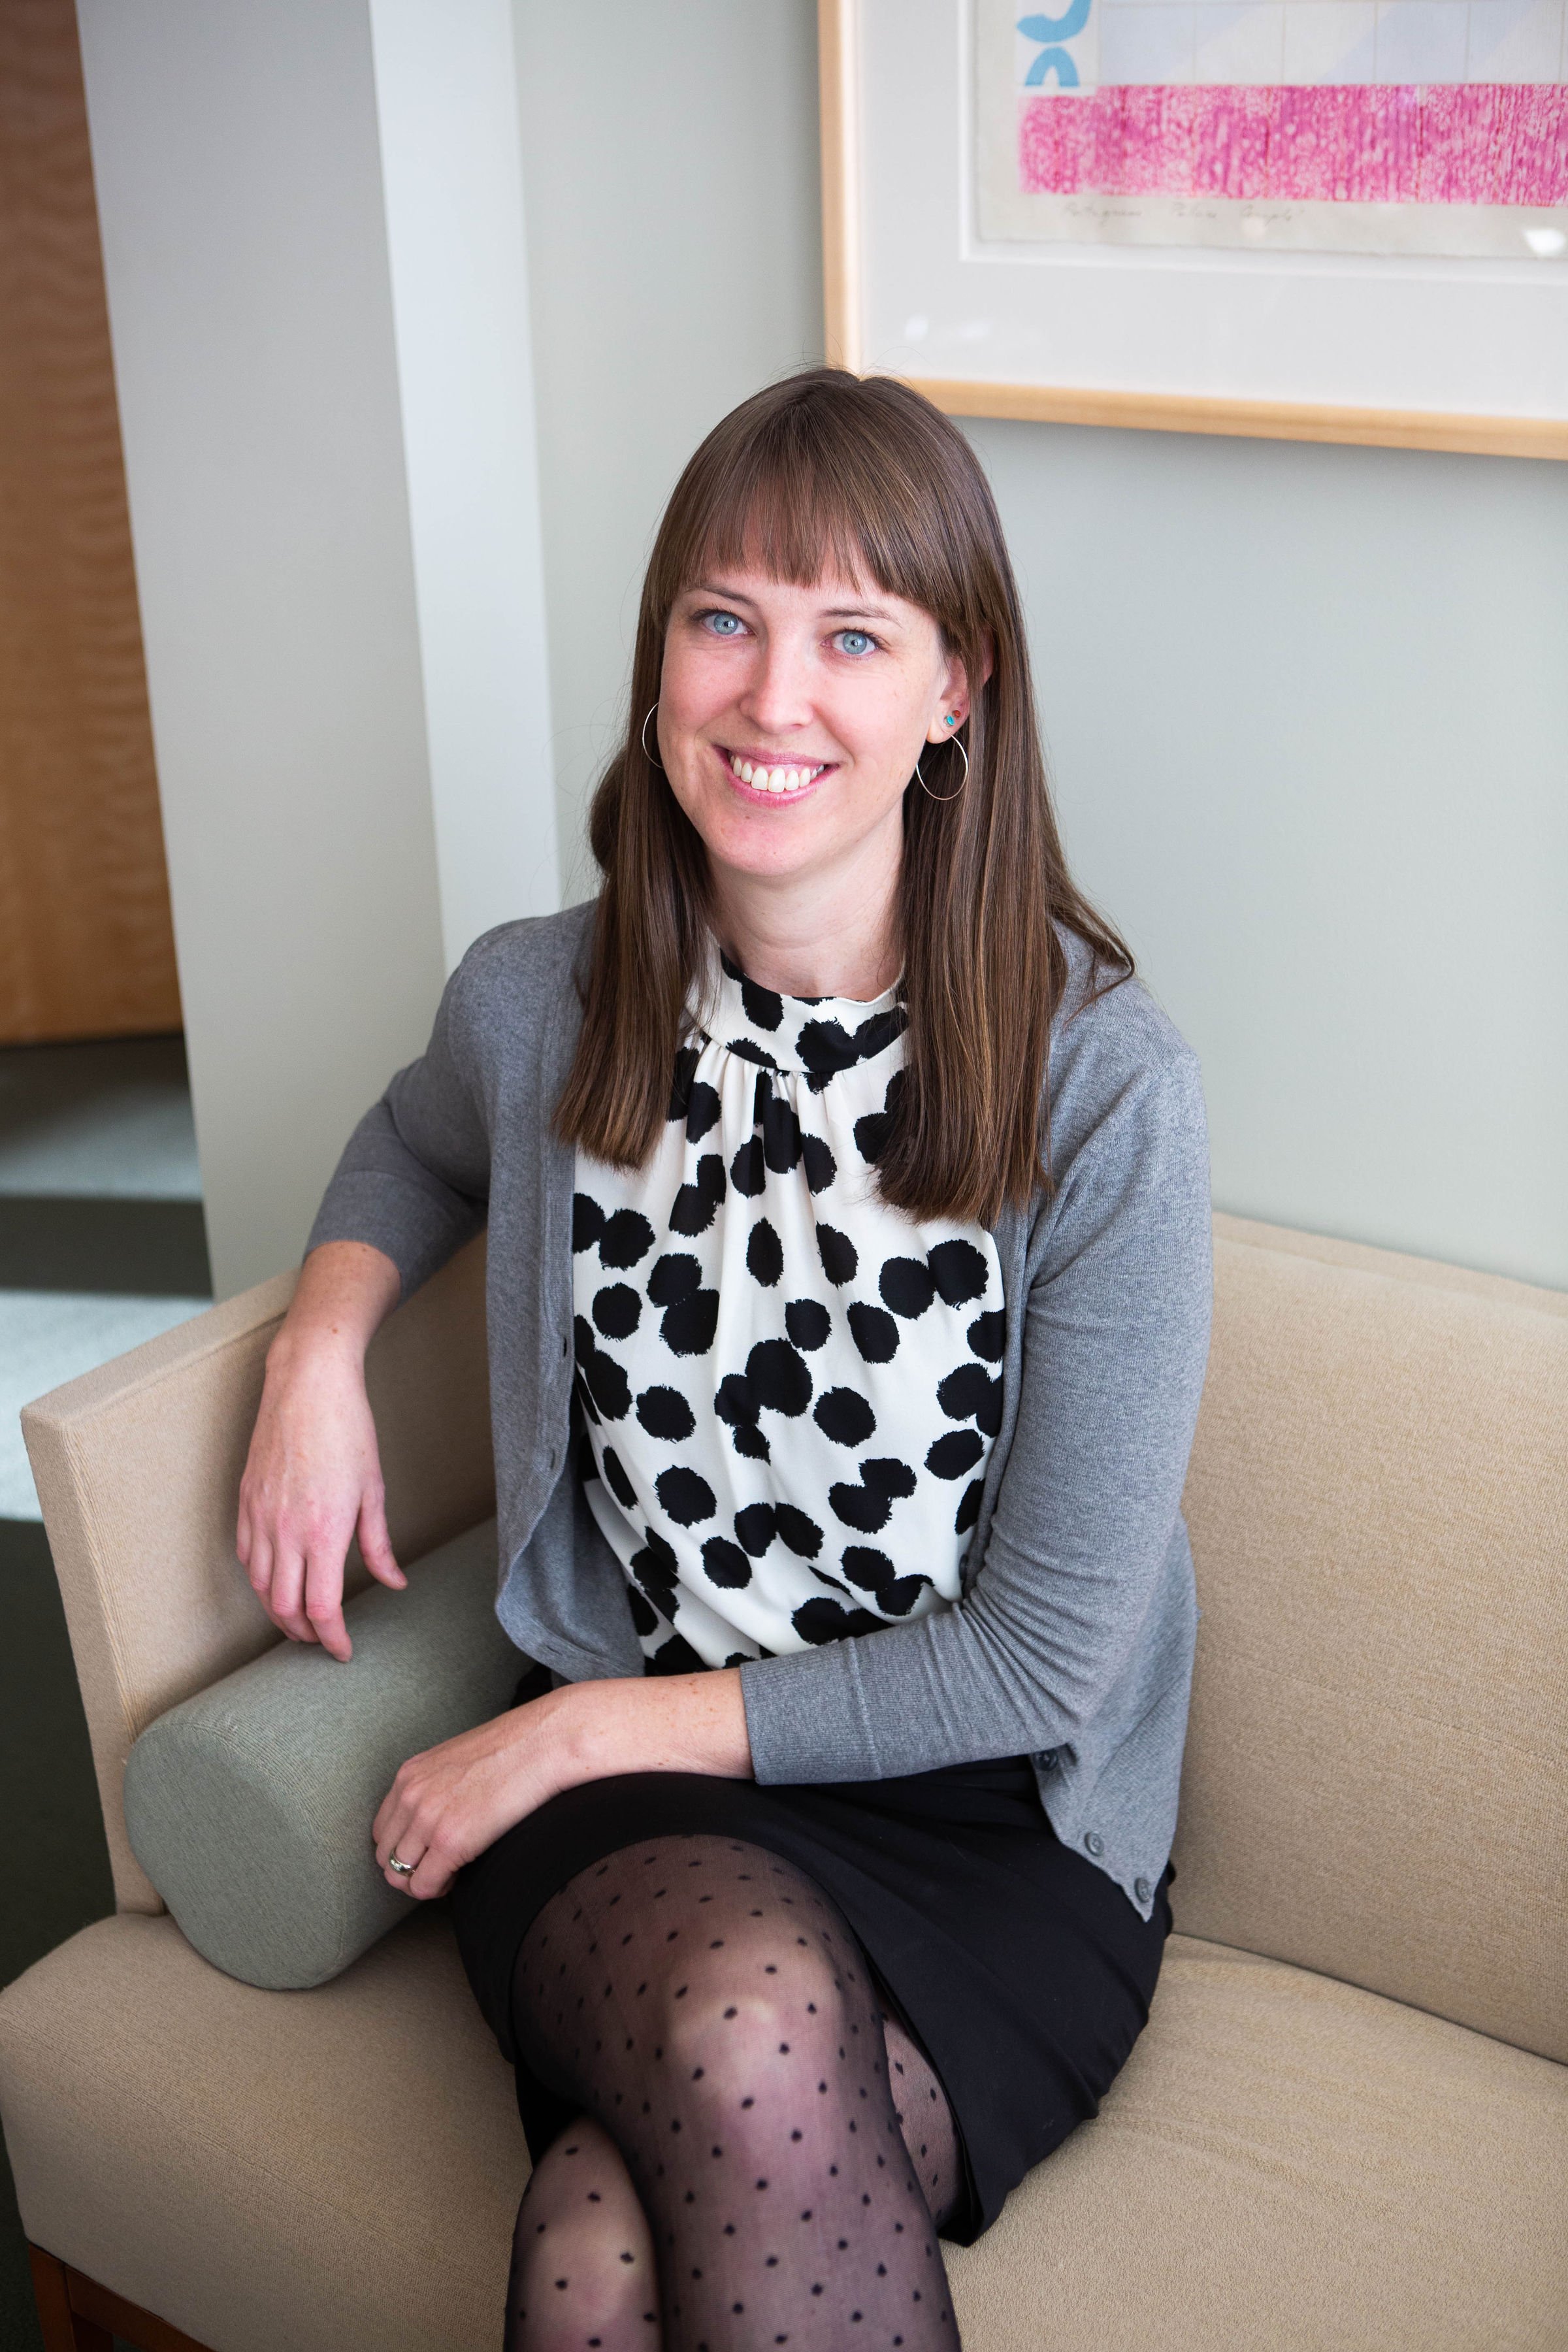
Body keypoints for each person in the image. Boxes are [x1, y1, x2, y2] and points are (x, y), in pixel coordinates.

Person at [236, 368, 1211, 2351]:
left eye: (855, 635)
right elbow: (410, 1144)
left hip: (994, 1814)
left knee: (604, 2242)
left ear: (959, 690)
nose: (775, 699)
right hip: (648, 1829)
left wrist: (572, 1730)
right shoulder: (541, 1006)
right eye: (725, 618)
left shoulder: (1103, 1087)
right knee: (743, 2028)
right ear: (662, 649)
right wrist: (314, 1356)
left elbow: (1043, 1660)